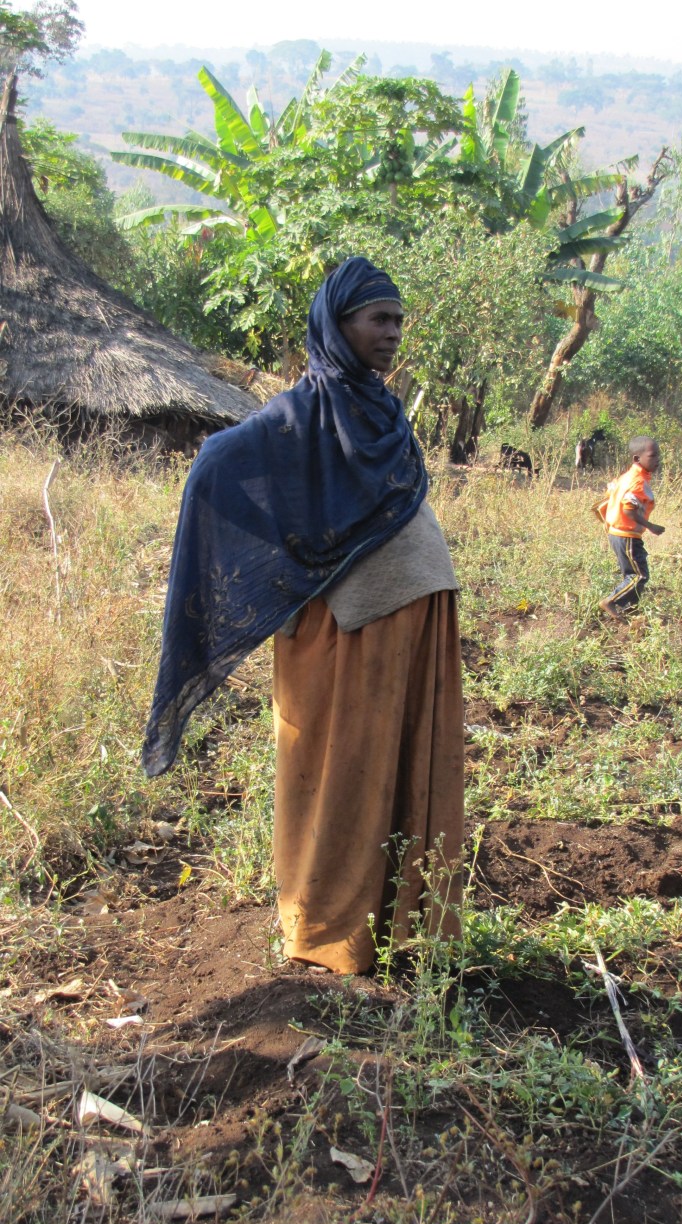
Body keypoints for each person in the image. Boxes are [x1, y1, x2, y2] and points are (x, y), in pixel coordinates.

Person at [142, 257, 464, 975]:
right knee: (342, 768)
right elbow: (215, 467)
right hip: (352, 621)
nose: (391, 333)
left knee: (405, 766)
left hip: (416, 605)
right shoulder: (300, 414)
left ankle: (403, 925)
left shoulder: (380, 409)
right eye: (378, 319)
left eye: (397, 320)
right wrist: (287, 567)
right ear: (337, 324)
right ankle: (331, 928)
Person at [596, 435, 665, 620]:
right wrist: (651, 526)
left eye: (658, 455)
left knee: (632, 573)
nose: (657, 459)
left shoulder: (628, 477)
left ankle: (629, 610)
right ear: (637, 458)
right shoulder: (636, 482)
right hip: (626, 534)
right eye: (652, 456)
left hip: (618, 533)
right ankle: (611, 602)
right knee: (638, 575)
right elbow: (629, 511)